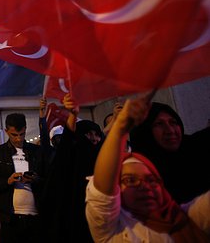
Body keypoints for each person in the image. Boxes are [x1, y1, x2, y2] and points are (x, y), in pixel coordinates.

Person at [86, 95, 210, 242]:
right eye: (131, 180)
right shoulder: (115, 233)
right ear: (117, 188)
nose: (145, 186)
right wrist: (119, 128)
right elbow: (102, 195)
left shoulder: (186, 218)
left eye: (152, 180)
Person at [40, 94, 103, 243]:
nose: (94, 138)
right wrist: (73, 115)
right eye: (89, 134)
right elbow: (67, 141)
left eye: (97, 134)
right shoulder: (69, 157)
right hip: (75, 218)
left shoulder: (103, 158)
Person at [130, 102, 210, 203]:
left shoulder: (195, 149)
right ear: (144, 131)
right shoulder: (137, 175)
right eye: (159, 124)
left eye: (173, 122)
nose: (170, 130)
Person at [0, 113, 44, 243]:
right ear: (6, 132)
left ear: (25, 129)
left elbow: (48, 180)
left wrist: (35, 179)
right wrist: (8, 180)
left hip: (35, 215)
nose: (18, 139)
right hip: (10, 218)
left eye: (22, 134)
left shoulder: (37, 151)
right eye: (14, 135)